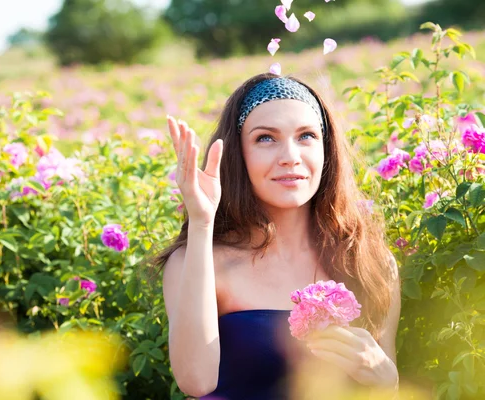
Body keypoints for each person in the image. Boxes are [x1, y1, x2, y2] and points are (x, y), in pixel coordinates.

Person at [152, 72, 401, 399]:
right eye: (266, 138)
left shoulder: (369, 261)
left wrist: (388, 381)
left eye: (306, 136)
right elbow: (195, 381)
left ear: (326, 150)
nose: (290, 156)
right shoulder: (197, 261)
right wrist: (201, 223)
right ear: (238, 155)